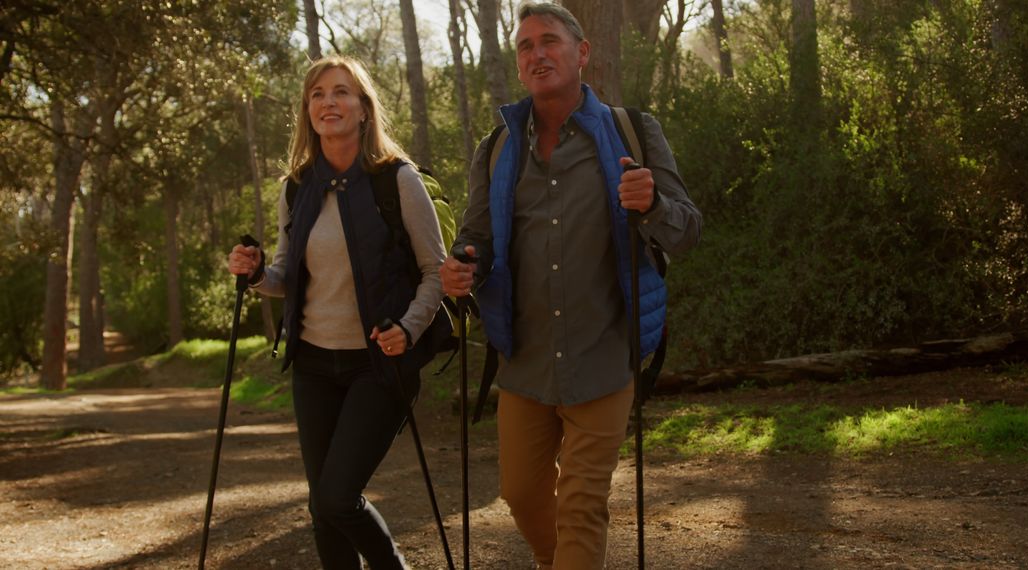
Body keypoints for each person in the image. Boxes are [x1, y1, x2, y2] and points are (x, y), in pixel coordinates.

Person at [439, 3, 702, 569]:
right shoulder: (499, 148)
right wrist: (463, 265)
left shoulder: (634, 131)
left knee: (582, 505)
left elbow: (687, 229)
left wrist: (652, 204)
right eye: (526, 46)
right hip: (526, 362)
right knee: (522, 495)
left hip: (605, 354)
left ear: (582, 53)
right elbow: (476, 238)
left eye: (549, 41)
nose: (537, 54)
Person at [227, 55, 445, 570]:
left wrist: (409, 330)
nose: (329, 102)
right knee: (322, 510)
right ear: (307, 111)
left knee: (335, 498)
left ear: (364, 109)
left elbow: (435, 272)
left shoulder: (398, 180)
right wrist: (256, 273)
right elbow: (285, 275)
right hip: (314, 366)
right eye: (318, 93)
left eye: (342, 92)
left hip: (379, 364)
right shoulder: (296, 187)